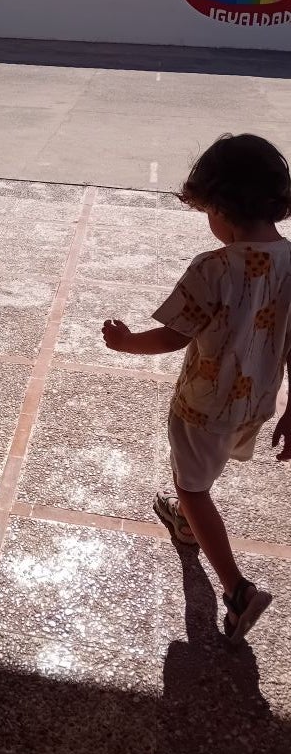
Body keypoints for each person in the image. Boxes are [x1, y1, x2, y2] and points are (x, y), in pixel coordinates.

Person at [103, 134, 291, 645]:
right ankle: (188, 524)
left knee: (192, 486)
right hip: (255, 402)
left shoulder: (214, 267)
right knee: (201, 471)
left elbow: (173, 335)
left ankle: (237, 589)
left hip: (205, 405)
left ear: (222, 208)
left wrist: (125, 342)